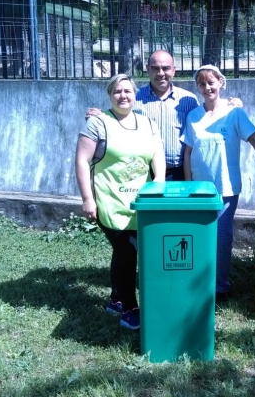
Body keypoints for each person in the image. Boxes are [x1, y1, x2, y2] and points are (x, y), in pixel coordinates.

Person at [75, 74, 166, 331]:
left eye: (127, 91)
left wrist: (159, 179)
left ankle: (115, 299)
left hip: (141, 202)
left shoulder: (147, 122)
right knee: (127, 250)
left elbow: (156, 151)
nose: (123, 96)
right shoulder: (98, 123)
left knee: (127, 251)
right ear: (110, 95)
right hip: (110, 200)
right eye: (117, 92)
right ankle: (129, 307)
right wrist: (87, 199)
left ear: (135, 95)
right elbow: (82, 161)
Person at [180, 65, 255, 300]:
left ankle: (220, 286)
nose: (207, 87)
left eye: (211, 82)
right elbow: (188, 152)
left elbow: (253, 138)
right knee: (200, 236)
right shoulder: (193, 116)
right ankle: (199, 281)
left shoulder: (234, 113)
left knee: (221, 238)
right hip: (199, 189)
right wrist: (188, 183)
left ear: (221, 82)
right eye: (202, 84)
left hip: (226, 188)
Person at [86, 50, 241, 180]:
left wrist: (231, 106)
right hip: (143, 173)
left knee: (177, 216)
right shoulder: (134, 99)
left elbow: (207, 118)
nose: (161, 73)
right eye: (155, 68)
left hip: (179, 172)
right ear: (148, 69)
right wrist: (101, 117)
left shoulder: (188, 100)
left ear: (174, 70)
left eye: (166, 68)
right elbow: (118, 117)